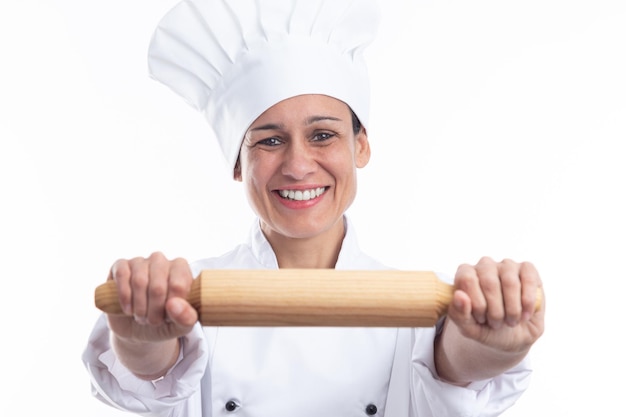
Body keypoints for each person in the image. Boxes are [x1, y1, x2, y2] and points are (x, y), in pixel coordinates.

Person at [82, 0, 545, 416]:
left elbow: (457, 366)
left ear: (360, 146)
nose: (299, 165)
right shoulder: (188, 296)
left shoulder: (422, 305)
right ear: (238, 165)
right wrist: (137, 339)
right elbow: (153, 371)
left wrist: (492, 342)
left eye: (322, 135)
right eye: (269, 140)